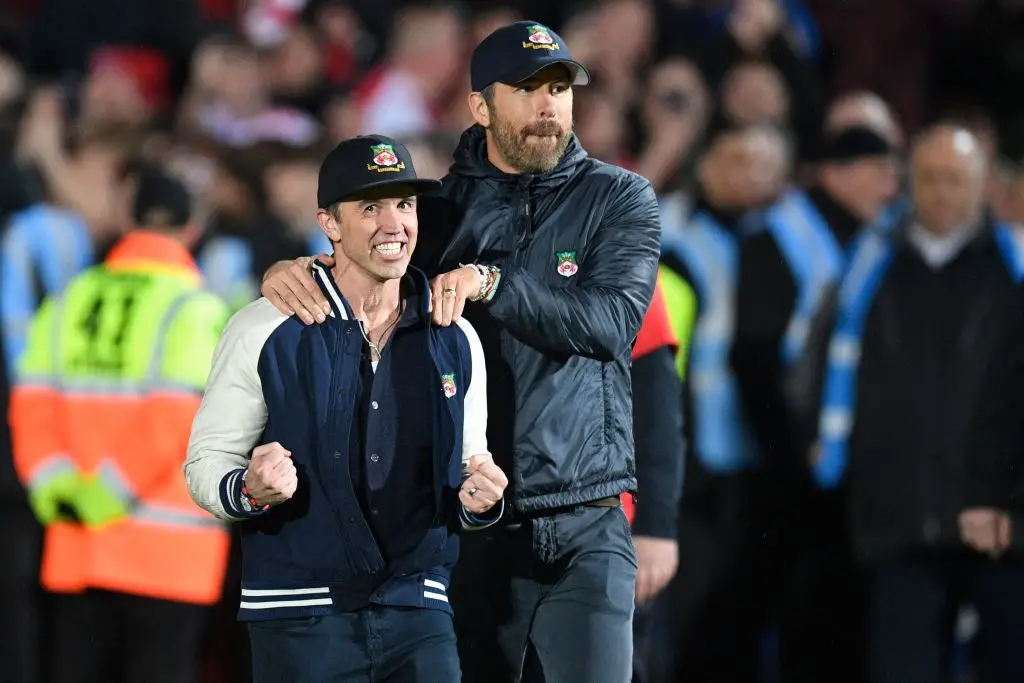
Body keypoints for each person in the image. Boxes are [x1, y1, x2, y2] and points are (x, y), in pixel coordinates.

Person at [260, 20, 661, 683]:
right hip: (467, 524)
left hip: (584, 519)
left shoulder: (618, 198)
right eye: (528, 89)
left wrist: (494, 281)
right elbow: (360, 286)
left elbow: (611, 324)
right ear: (479, 106)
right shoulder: (437, 214)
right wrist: (294, 273)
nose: (547, 106)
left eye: (560, 88)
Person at [184, 134, 507, 683]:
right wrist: (248, 489)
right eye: (371, 207)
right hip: (299, 615)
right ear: (329, 224)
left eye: (405, 205)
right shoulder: (264, 328)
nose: (394, 224)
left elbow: (470, 468)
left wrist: (480, 498)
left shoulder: (455, 337)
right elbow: (205, 464)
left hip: (420, 609)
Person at [808, 124, 1024, 683]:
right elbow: (817, 366)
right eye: (928, 178)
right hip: (896, 516)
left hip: (999, 523)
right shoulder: (866, 269)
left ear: (983, 186)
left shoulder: (1013, 271)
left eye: (955, 179)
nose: (941, 192)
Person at [8, 170, 232, 683]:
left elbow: (31, 402)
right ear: (193, 228)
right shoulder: (196, 309)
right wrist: (113, 492)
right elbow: (175, 419)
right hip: (169, 558)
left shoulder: (70, 298)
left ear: (126, 219)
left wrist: (58, 490)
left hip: (77, 543)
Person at [732, 125, 896, 682]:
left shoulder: (878, 240)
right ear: (836, 172)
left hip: (849, 469)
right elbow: (753, 358)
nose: (890, 186)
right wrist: (794, 453)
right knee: (784, 609)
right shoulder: (777, 238)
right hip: (788, 467)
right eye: (878, 171)